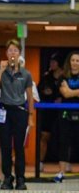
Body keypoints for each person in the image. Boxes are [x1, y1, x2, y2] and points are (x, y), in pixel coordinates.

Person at [0, 39, 35, 190]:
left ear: (19, 53)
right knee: (5, 146)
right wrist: (1, 70)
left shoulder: (26, 73)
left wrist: (30, 116)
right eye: (10, 51)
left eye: (15, 50)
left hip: (20, 112)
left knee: (19, 147)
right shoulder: (0, 71)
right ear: (6, 53)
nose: (13, 53)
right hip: (4, 111)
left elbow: (29, 96)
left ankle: (21, 178)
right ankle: (7, 178)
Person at [55, 52, 79, 183]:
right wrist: (75, 92)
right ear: (69, 62)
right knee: (64, 142)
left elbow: (69, 92)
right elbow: (65, 94)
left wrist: (71, 91)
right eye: (73, 60)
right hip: (65, 113)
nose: (75, 63)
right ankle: (61, 172)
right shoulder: (63, 76)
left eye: (77, 60)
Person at [39, 56, 63, 172]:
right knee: (44, 136)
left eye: (54, 62)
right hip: (48, 111)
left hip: (63, 111)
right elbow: (39, 90)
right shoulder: (46, 76)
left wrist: (61, 99)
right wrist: (44, 91)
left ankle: (64, 163)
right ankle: (40, 163)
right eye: (50, 62)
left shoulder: (66, 76)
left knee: (64, 137)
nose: (52, 64)